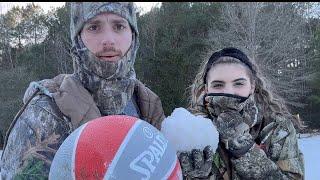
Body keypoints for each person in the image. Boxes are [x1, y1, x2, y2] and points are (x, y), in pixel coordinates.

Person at [0, 2, 165, 179]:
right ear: (78, 37)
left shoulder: (149, 108)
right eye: (94, 27)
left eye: (119, 26)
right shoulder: (43, 115)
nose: (108, 40)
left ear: (133, 35)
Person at [179, 47, 304, 179]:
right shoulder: (189, 129)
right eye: (218, 85)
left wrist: (243, 148)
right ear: (206, 89)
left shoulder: (277, 127)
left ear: (252, 86)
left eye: (238, 84)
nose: (229, 92)